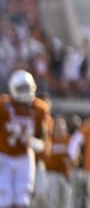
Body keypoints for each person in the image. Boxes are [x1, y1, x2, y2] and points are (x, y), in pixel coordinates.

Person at [0, 70, 52, 208]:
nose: (24, 92)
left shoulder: (40, 108)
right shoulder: (3, 105)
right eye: (21, 88)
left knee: (23, 197)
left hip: (24, 155)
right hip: (3, 154)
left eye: (27, 88)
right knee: (3, 196)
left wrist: (39, 144)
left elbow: (43, 137)